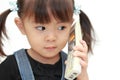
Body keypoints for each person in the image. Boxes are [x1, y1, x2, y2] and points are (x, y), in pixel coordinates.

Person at [0, 0, 95, 80]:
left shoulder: (71, 67)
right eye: (41, 28)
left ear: (71, 26)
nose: (51, 38)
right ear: (21, 26)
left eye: (61, 27)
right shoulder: (10, 67)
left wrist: (82, 75)